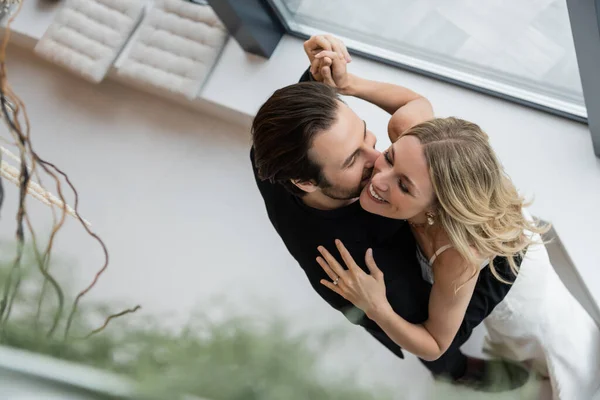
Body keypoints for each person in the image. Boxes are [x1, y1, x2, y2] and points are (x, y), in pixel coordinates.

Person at [251, 34, 527, 390]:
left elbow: (306, 117)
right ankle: (455, 372)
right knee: (448, 340)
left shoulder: (269, 149)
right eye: (353, 160)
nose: (377, 162)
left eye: (367, 136)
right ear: (305, 181)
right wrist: (377, 308)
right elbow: (432, 340)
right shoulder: (377, 268)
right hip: (384, 296)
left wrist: (336, 78)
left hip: (458, 253)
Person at [316, 117, 600, 399]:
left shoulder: (457, 256)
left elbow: (435, 344)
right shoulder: (427, 151)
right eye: (389, 157)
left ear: (437, 209)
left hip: (519, 291)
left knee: (546, 349)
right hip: (489, 222)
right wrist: (352, 83)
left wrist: (376, 306)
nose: (377, 179)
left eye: (403, 185)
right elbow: (411, 102)